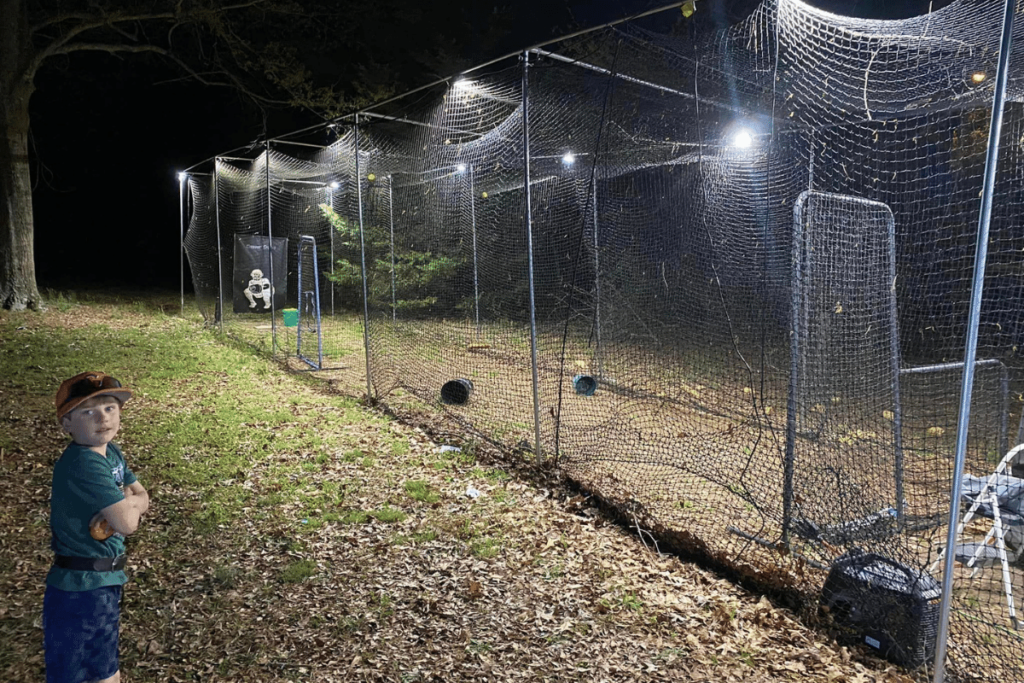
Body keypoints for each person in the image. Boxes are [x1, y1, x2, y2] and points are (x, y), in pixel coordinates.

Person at [45, 371, 150, 683]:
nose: (102, 418)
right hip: (80, 587)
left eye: (110, 408)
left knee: (104, 667)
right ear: (67, 423)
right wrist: (126, 506)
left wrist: (126, 503)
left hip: (102, 579)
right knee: (89, 674)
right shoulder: (84, 462)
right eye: (87, 411)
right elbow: (128, 523)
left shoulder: (110, 453)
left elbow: (143, 496)